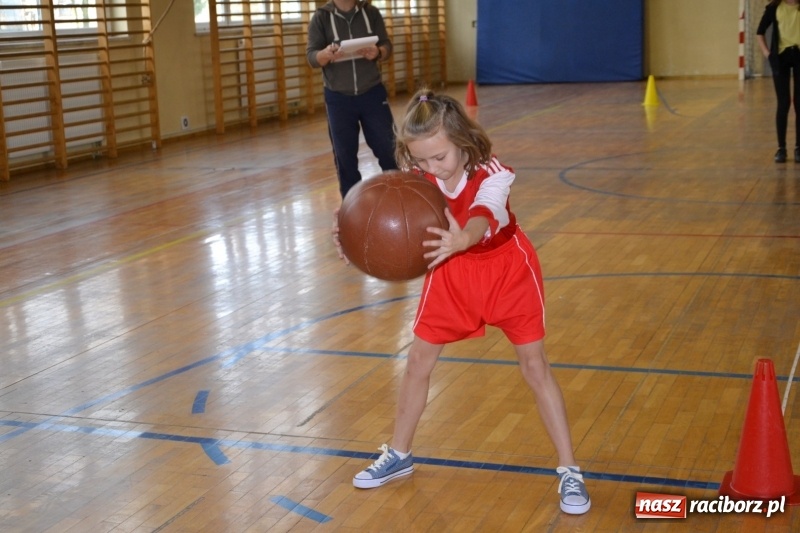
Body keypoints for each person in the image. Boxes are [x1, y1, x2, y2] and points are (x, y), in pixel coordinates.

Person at [333, 88, 591, 515]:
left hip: (507, 269)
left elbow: (484, 215)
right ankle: (399, 454)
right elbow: (374, 212)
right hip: (451, 273)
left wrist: (462, 239)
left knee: (535, 366)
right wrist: (353, 239)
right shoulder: (417, 178)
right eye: (420, 160)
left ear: (462, 142)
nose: (430, 167)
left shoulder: (494, 173)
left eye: (441, 158)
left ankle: (570, 470)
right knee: (417, 361)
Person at [307, 0, 398, 198]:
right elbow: (312, 57)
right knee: (345, 157)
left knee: (388, 147)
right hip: (338, 98)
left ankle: (398, 197)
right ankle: (351, 208)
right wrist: (325, 54)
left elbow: (386, 45)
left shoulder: (371, 12)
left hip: (372, 93)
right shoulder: (321, 17)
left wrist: (378, 52)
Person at [757, 0, 800, 163]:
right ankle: (781, 148)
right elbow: (760, 32)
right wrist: (767, 54)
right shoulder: (774, 8)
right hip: (780, 58)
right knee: (783, 103)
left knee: (799, 104)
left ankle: (798, 147)